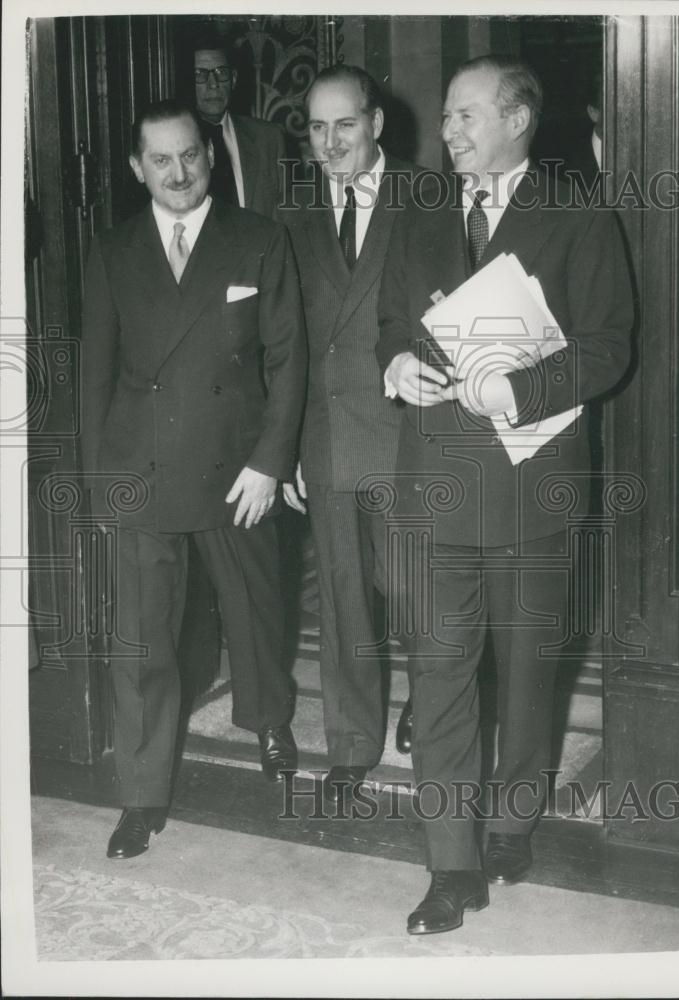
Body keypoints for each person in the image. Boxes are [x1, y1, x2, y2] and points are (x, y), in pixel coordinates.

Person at [378, 55, 633, 934]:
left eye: (464, 117)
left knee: (528, 678)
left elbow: (607, 349)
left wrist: (515, 391)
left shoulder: (575, 211)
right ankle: (451, 865)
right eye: (446, 117)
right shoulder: (414, 215)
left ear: (518, 120)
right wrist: (398, 362)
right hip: (435, 487)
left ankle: (512, 822)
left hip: (535, 488)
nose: (446, 133)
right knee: (439, 677)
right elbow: (388, 319)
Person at [81, 100, 307, 859]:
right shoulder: (111, 251)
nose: (179, 174)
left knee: (255, 609)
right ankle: (141, 796)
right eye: (161, 161)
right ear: (137, 168)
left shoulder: (257, 238)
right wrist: (100, 479)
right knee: (141, 640)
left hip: (234, 465)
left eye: (191, 156)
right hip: (140, 469)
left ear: (209, 153)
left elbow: (286, 359)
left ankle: (269, 719)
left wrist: (271, 461)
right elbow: (95, 377)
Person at [280, 65, 415, 807]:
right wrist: (289, 446)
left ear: (375, 124)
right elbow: (288, 342)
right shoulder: (294, 216)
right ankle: (352, 742)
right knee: (342, 603)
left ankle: (435, 708)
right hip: (327, 436)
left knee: (419, 594)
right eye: (317, 127)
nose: (330, 142)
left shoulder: (429, 198)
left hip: (410, 435)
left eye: (345, 125)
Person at [193, 36, 285, 214]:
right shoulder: (172, 145)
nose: (213, 84)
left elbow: (286, 216)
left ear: (233, 79)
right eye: (200, 75)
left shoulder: (269, 139)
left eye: (221, 73)